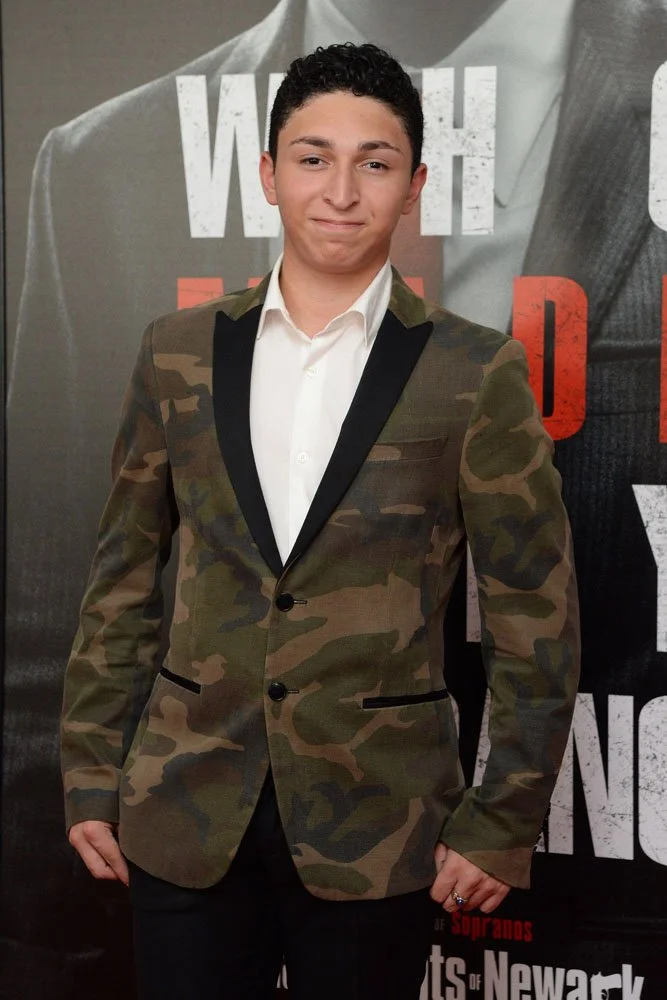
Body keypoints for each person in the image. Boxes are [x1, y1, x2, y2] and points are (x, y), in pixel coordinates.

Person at [61, 43, 579, 1000]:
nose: (340, 190)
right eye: (311, 157)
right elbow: (122, 579)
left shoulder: (476, 370)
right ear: (266, 174)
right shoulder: (176, 353)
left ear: (414, 184)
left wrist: (502, 816)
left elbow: (532, 617)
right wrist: (92, 770)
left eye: (373, 162)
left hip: (378, 820)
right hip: (184, 806)